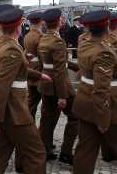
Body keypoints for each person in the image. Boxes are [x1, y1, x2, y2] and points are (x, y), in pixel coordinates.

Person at [72, 10, 117, 174]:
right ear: (107, 28)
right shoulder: (103, 52)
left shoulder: (85, 44)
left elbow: (103, 53)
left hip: (84, 101)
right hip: (106, 106)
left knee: (85, 151)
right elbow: (101, 89)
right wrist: (102, 120)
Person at [0, 8, 49, 174]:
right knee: (36, 153)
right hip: (14, 110)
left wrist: (37, 75)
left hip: (5, 110)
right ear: (19, 26)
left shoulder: (3, 43)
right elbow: (2, 84)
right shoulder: (12, 49)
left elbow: (13, 72)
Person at [37, 8, 78, 165]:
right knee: (75, 117)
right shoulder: (57, 41)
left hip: (46, 84)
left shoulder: (43, 39)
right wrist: (62, 95)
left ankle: (45, 150)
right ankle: (66, 152)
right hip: (59, 86)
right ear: (59, 21)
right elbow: (60, 71)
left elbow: (42, 64)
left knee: (47, 119)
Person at [23, 11, 44, 120]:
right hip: (39, 71)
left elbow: (26, 53)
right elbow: (42, 57)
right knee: (36, 102)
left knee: (31, 100)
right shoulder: (40, 37)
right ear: (41, 22)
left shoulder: (27, 35)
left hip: (30, 68)